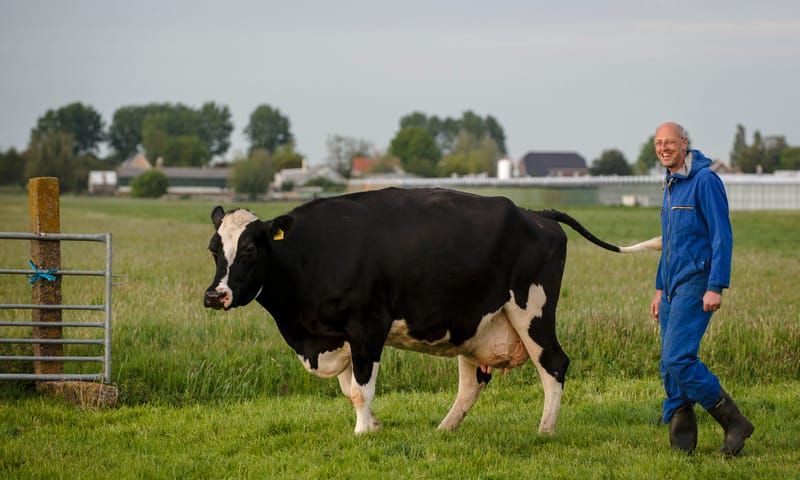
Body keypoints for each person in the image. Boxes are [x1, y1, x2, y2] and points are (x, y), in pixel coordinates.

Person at [649, 121, 754, 455]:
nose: (664, 148)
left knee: (678, 358)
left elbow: (722, 236)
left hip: (696, 281)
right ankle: (682, 443)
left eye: (669, 142)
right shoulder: (671, 183)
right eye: (658, 143)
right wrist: (659, 289)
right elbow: (669, 244)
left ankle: (734, 422)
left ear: (684, 143)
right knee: (668, 366)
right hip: (671, 285)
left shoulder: (705, 181)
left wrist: (716, 286)